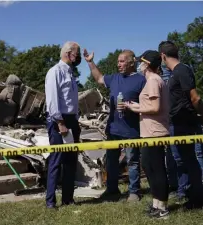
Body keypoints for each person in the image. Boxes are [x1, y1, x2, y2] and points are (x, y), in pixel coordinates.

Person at [83, 49, 146, 202]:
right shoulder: (114, 78)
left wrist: (132, 106)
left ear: (132, 63)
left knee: (132, 161)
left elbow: (147, 104)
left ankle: (134, 192)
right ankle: (112, 190)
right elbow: (98, 78)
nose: (119, 64)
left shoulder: (141, 80)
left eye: (122, 61)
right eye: (118, 61)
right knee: (111, 161)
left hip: (131, 129)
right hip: (113, 129)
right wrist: (90, 62)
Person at [158, 40, 203, 209]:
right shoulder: (174, 73)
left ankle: (198, 198)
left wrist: (201, 116)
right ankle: (190, 194)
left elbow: (195, 98)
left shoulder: (182, 70)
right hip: (177, 123)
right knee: (183, 161)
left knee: (190, 160)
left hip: (186, 123)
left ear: (163, 56)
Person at [125, 50, 170, 218]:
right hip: (150, 132)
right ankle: (156, 204)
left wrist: (137, 108)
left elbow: (155, 108)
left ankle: (162, 208)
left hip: (155, 132)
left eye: (141, 62)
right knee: (149, 166)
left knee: (156, 169)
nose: (139, 65)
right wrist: (134, 106)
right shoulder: (154, 80)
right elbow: (150, 107)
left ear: (147, 65)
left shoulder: (152, 80)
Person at [44, 41, 82, 209]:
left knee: (71, 161)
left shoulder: (71, 73)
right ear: (69, 53)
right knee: (56, 161)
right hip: (59, 120)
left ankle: (68, 198)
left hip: (72, 120)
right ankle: (50, 201)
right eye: (77, 53)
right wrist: (60, 122)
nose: (78, 56)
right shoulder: (55, 72)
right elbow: (52, 100)